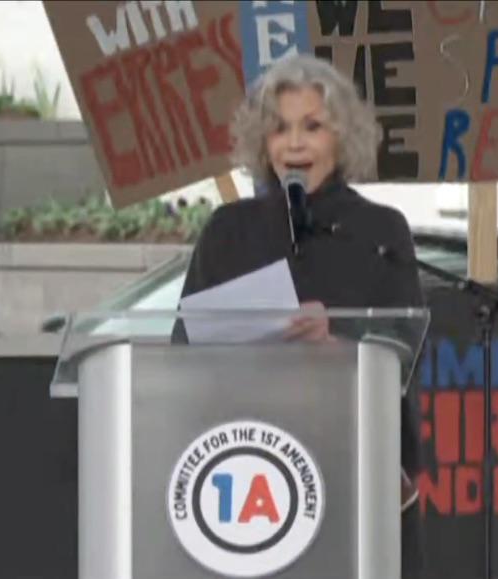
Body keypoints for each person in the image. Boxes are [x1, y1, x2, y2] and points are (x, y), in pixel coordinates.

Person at [177, 54, 427, 574]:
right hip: (246, 472)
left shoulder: (380, 230)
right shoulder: (228, 230)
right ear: (261, 143)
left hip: (352, 465)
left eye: (312, 127)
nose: (294, 144)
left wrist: (334, 340)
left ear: (342, 137)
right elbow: (184, 351)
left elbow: (403, 351)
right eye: (280, 129)